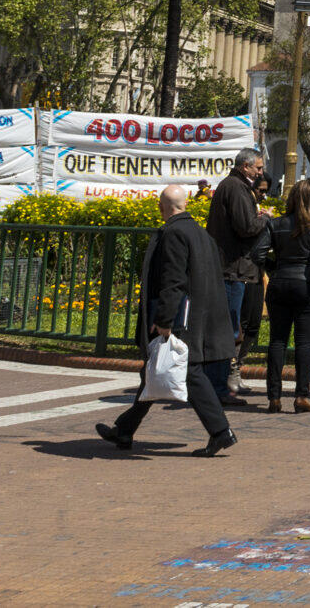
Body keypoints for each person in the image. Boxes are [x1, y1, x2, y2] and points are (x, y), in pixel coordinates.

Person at [97, 182, 239, 457]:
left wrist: (164, 319)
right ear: (185, 205)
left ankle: (221, 432)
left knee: (189, 373)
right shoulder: (200, 233)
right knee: (153, 371)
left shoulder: (173, 233)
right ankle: (124, 430)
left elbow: (173, 281)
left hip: (181, 319)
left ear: (162, 207)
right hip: (198, 316)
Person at [205, 149, 269, 406]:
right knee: (229, 329)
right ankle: (221, 387)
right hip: (232, 268)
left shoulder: (232, 186)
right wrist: (265, 219)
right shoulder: (237, 188)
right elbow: (246, 227)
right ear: (245, 167)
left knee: (231, 327)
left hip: (231, 267)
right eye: (258, 168)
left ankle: (222, 383)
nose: (261, 173)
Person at [263, 179, 310, 414]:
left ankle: (274, 397)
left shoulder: (276, 224)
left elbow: (257, 253)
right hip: (306, 285)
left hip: (280, 282)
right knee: (304, 342)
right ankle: (301, 395)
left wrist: (275, 268)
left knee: (277, 340)